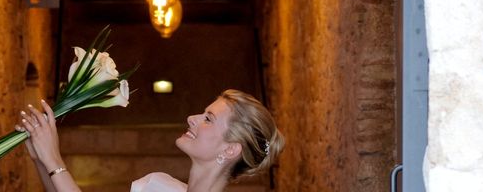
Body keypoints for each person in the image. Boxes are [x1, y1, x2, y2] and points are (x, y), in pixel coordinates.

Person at [17, 89, 285, 192]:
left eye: (208, 118)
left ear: (230, 149)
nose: (192, 118)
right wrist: (40, 158)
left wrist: (53, 159)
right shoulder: (160, 186)